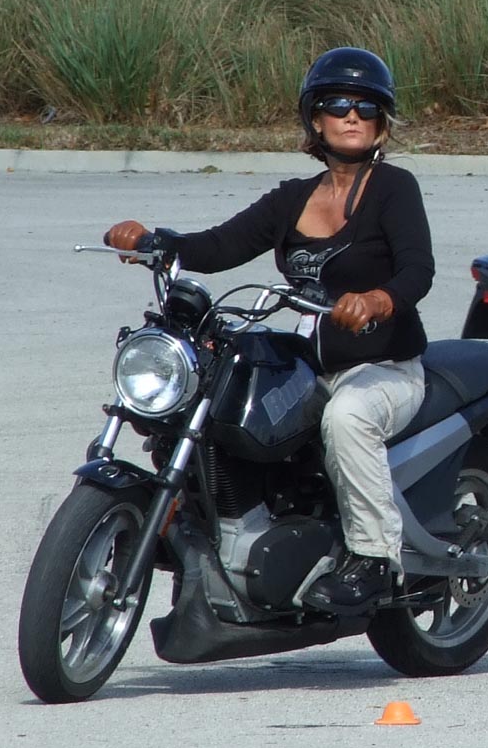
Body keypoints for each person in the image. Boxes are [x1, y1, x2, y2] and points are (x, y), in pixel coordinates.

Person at [105, 47, 435, 614]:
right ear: (315, 119)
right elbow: (219, 246)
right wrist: (153, 240)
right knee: (224, 402)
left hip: (385, 369)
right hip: (315, 366)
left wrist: (377, 300)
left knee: (347, 417)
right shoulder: (292, 199)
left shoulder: (394, 188)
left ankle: (375, 559)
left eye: (366, 107)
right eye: (338, 104)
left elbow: (417, 269)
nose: (351, 116)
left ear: (382, 122)